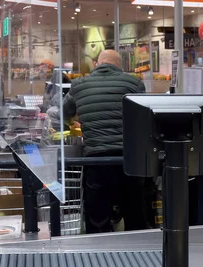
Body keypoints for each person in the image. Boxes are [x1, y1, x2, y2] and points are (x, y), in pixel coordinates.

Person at [63, 49, 152, 233]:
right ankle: (141, 257)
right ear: (119, 67)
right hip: (129, 161)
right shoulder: (134, 83)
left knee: (97, 219)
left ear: (97, 64)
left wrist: (76, 121)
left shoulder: (79, 84)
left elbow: (64, 113)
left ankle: (99, 258)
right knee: (135, 216)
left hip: (97, 161)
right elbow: (146, 118)